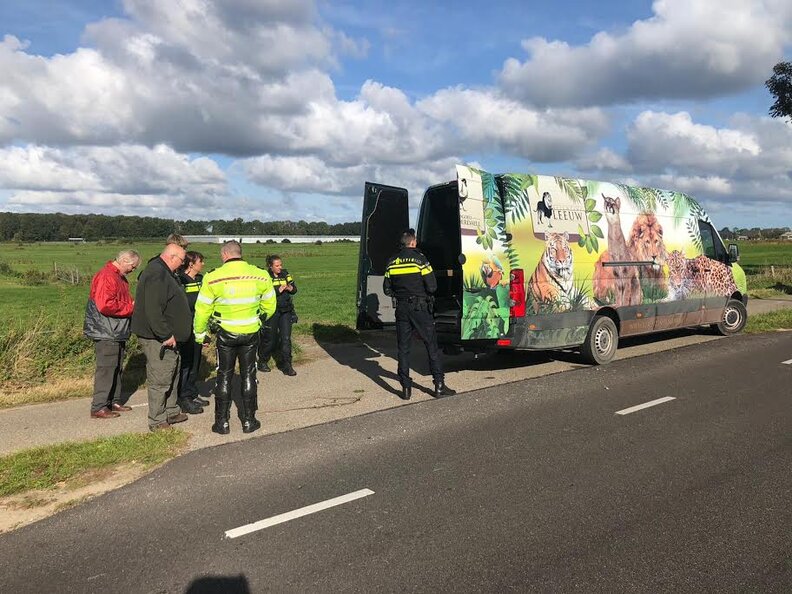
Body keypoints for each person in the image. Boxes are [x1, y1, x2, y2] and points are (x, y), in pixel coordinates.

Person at [194, 241, 276, 434]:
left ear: (224, 254)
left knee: (224, 375)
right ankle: (249, 421)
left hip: (225, 333)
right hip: (250, 332)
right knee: (249, 374)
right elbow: (270, 305)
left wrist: (200, 334)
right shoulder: (260, 275)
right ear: (240, 253)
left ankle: (221, 423)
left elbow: (202, 309)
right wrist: (258, 319)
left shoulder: (212, 277)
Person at [384, 229, 456, 401]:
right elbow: (432, 287)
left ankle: (406, 388)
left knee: (403, 349)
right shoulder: (420, 259)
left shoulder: (392, 262)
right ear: (413, 242)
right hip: (420, 309)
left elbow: (387, 289)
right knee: (431, 346)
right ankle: (439, 385)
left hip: (401, 309)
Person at [131, 241, 194, 431]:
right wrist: (165, 334)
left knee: (172, 373)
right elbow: (153, 310)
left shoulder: (166, 272)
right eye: (182, 260)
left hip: (171, 337)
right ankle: (158, 420)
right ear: (172, 256)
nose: (183, 265)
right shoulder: (156, 273)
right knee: (160, 377)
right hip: (158, 337)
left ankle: (171, 410)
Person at [83, 249, 140, 419]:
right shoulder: (107, 276)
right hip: (106, 330)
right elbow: (105, 305)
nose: (132, 270)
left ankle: (113, 401)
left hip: (116, 330)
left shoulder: (118, 277)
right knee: (106, 369)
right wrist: (131, 308)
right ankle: (99, 406)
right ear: (124, 261)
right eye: (133, 267)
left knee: (116, 367)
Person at [177, 251, 208, 408]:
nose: (202, 264)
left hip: (198, 325)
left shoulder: (201, 280)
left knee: (195, 362)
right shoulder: (181, 280)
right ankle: (183, 396)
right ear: (191, 264)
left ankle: (191, 392)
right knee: (186, 362)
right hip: (185, 326)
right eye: (200, 261)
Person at [257, 254, 298, 376]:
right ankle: (263, 361)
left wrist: (290, 288)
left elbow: (295, 290)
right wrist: (277, 291)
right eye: (277, 265)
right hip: (272, 311)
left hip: (285, 311)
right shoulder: (265, 277)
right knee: (270, 339)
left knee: (285, 339)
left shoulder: (285, 274)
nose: (280, 267)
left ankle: (287, 365)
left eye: (281, 264)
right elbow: (262, 294)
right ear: (270, 266)